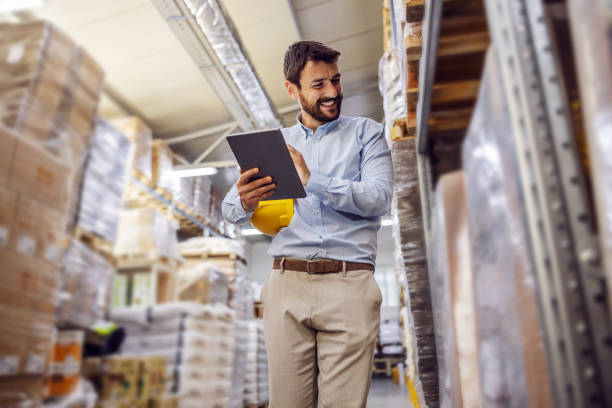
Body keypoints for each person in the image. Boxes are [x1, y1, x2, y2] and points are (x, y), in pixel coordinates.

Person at [222, 40, 393, 408]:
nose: (332, 92)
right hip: (286, 284)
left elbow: (379, 197)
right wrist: (244, 200)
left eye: (335, 80)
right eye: (318, 85)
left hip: (350, 284)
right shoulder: (275, 144)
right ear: (292, 89)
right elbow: (228, 210)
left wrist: (310, 179)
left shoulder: (367, 134)